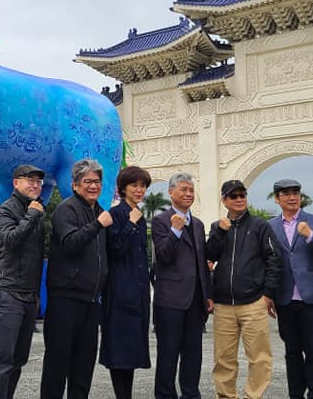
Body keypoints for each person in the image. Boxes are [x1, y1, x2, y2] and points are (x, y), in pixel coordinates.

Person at [41, 158, 112, 399]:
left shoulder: (101, 213)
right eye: (87, 181)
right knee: (57, 364)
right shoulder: (66, 209)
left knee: (83, 366)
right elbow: (71, 243)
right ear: (74, 185)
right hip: (65, 299)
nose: (93, 186)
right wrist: (97, 225)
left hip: (92, 302)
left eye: (97, 181)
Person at [205, 180, 283, 399]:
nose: (239, 199)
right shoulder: (216, 226)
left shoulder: (260, 226)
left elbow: (274, 259)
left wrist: (268, 293)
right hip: (223, 303)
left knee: (259, 357)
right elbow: (209, 255)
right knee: (223, 359)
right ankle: (226, 396)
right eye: (233, 196)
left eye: (242, 195)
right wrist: (220, 232)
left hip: (253, 301)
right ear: (224, 201)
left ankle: (253, 396)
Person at [267, 178, 313, 399]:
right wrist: (267, 294)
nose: (292, 197)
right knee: (292, 353)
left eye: (296, 193)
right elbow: (265, 261)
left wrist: (310, 236)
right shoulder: (270, 226)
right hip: (284, 298)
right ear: (277, 199)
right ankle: (295, 395)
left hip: (311, 298)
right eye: (286, 194)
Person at [0, 164, 47, 399]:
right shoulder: (5, 210)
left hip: (30, 294)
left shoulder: (38, 210)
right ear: (15, 183)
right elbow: (11, 241)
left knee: (19, 359)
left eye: (38, 181)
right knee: (2, 361)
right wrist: (31, 215)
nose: (35, 184)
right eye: (29, 180)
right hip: (8, 293)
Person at [152, 173, 212, 399]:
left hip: (196, 301)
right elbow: (164, 256)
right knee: (168, 355)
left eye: (191, 190)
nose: (188, 194)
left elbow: (201, 263)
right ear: (171, 192)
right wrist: (175, 231)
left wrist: (208, 293)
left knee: (193, 355)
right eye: (183, 189)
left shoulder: (197, 224)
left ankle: (190, 394)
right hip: (170, 300)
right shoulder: (160, 220)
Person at [100, 166, 153, 399]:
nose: (139, 190)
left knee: (131, 349)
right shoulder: (117, 214)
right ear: (123, 189)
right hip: (120, 291)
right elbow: (115, 250)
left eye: (143, 185)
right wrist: (130, 224)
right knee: (119, 349)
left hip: (139, 291)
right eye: (134, 185)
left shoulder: (139, 215)